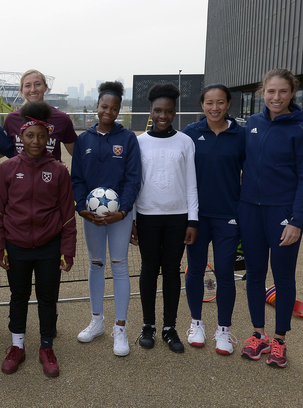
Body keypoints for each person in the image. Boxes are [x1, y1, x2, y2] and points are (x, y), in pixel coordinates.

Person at [238, 68, 303, 368]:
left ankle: (279, 340)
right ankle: (258, 334)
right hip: (250, 211)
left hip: (283, 215)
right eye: (271, 91)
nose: (276, 97)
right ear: (263, 93)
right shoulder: (253, 124)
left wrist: (297, 220)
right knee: (255, 275)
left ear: (292, 94)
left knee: (283, 278)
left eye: (282, 91)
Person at [0, 101, 77, 378]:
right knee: (18, 296)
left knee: (47, 297)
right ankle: (17, 347)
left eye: (42, 136)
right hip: (16, 246)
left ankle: (46, 347)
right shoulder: (6, 169)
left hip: (49, 246)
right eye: (30, 136)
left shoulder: (60, 171)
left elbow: (67, 214)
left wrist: (68, 249)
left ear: (49, 138)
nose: (36, 141)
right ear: (20, 138)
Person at [71, 81, 141, 357]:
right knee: (96, 264)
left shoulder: (128, 138)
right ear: (96, 107)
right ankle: (97, 321)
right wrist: (81, 208)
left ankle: (120, 328)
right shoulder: (84, 139)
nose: (108, 111)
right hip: (91, 216)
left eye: (113, 108)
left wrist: (122, 211)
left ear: (119, 109)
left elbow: (134, 179)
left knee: (120, 266)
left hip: (120, 215)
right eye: (103, 107)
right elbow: (77, 178)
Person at [131, 83, 198, 354]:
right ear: (151, 111)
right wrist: (133, 220)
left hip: (177, 218)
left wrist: (192, 220)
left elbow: (191, 184)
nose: (163, 116)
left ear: (174, 112)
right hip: (147, 216)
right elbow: (135, 184)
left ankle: (170, 327)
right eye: (158, 110)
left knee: (171, 271)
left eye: (168, 111)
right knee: (149, 269)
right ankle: (148, 325)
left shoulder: (185, 141)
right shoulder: (139, 142)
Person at [182, 84, 245, 355]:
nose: (215, 107)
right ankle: (196, 324)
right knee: (195, 270)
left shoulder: (241, 135)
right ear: (202, 105)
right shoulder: (190, 134)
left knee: (224, 273)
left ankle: (223, 330)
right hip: (196, 217)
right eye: (209, 102)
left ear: (228, 104)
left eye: (220, 102)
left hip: (228, 216)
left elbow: (251, 173)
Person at [3, 69, 77, 161]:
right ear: (21, 90)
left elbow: (76, 153)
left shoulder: (61, 119)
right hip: (20, 174)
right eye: (28, 86)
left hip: (50, 174)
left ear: (46, 87)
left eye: (38, 84)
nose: (33, 89)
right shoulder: (12, 119)